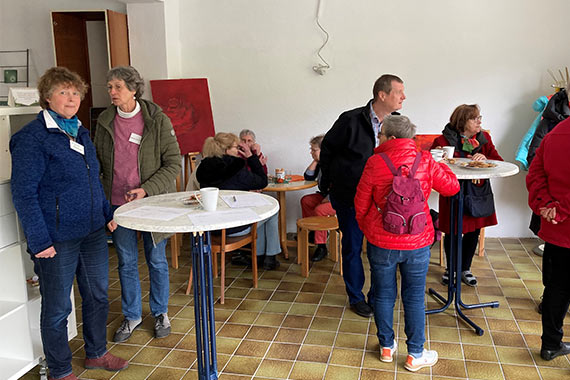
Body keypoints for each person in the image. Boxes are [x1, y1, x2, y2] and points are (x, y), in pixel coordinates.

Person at [10, 67, 128, 380]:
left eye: (75, 92)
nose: (71, 98)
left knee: (97, 295)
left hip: (91, 232)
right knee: (58, 308)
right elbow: (23, 194)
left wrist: (106, 215)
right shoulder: (31, 138)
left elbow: (92, 178)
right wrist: (39, 241)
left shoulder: (80, 131)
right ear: (47, 97)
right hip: (56, 239)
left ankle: (96, 353)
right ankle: (60, 371)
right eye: (63, 92)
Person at [355, 115, 459, 371]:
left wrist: (369, 229)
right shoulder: (425, 160)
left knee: (383, 294)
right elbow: (452, 187)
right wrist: (442, 164)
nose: (378, 138)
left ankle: (387, 347)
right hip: (417, 241)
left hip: (382, 242)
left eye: (381, 135)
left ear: (391, 137)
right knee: (413, 297)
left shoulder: (374, 162)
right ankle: (415, 354)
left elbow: (361, 204)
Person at [94, 66, 181, 343]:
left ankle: (160, 313)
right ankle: (131, 316)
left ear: (133, 89)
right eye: (109, 87)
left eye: (117, 87)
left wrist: (147, 189)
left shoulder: (156, 119)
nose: (112, 92)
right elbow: (96, 166)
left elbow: (173, 164)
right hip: (119, 206)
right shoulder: (105, 120)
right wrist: (105, 207)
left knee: (156, 260)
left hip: (152, 203)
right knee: (126, 262)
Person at [319, 74, 406, 318]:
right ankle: (356, 297)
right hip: (350, 196)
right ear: (382, 94)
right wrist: (327, 186)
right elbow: (327, 151)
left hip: (386, 199)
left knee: (382, 251)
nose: (403, 97)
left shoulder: (398, 124)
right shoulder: (350, 120)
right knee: (352, 247)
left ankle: (377, 296)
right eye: (399, 92)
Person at [431, 104, 503, 287]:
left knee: (473, 231)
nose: (479, 121)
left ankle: (465, 268)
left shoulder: (484, 138)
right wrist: (442, 159)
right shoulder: (442, 140)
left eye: (480, 117)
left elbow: (499, 161)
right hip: (452, 191)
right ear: (462, 121)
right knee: (453, 231)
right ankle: (451, 269)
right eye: (475, 118)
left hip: (478, 193)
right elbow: (431, 165)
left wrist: (484, 159)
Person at [196, 132, 281, 269]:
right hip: (233, 226)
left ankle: (260, 256)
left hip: (211, 226)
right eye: (236, 147)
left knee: (262, 212)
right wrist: (251, 156)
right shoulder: (234, 168)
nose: (238, 150)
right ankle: (268, 258)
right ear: (226, 150)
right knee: (271, 211)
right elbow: (262, 181)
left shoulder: (203, 168)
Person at [526, 115, 570, 361]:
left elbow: (535, 173)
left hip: (556, 228)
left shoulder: (555, 133)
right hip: (561, 219)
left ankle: (551, 344)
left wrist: (546, 205)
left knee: (556, 288)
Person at [300, 134, 336, 262]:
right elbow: (308, 176)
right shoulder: (322, 163)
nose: (311, 152)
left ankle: (321, 246)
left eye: (314, 150)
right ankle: (314, 230)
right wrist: (315, 160)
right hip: (325, 195)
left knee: (320, 210)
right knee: (306, 201)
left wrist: (330, 198)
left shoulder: (335, 164)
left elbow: (342, 185)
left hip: (338, 199)